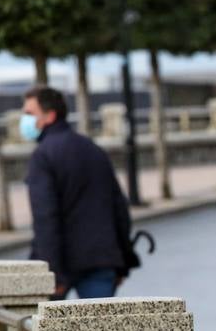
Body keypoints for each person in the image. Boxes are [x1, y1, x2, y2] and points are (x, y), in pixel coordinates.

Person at [23, 86, 139, 300]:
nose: (25, 120)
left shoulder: (43, 156)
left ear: (49, 116)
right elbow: (119, 209)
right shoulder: (92, 149)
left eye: (30, 114)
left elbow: (45, 217)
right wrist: (122, 263)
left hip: (61, 263)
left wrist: (52, 273)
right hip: (101, 260)